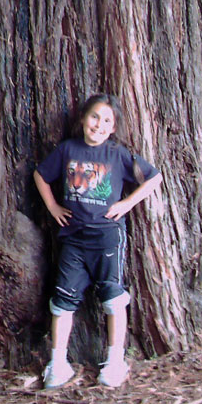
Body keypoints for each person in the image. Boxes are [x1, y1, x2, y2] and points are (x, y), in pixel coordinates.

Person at [34, 93, 162, 388]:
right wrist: (53, 207)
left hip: (107, 237)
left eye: (107, 120)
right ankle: (58, 364)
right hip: (73, 239)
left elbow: (153, 178)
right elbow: (41, 175)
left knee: (113, 297)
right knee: (63, 300)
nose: (99, 124)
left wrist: (127, 203)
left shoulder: (117, 154)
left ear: (114, 127)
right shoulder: (67, 150)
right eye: (94, 117)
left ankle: (115, 360)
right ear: (82, 119)